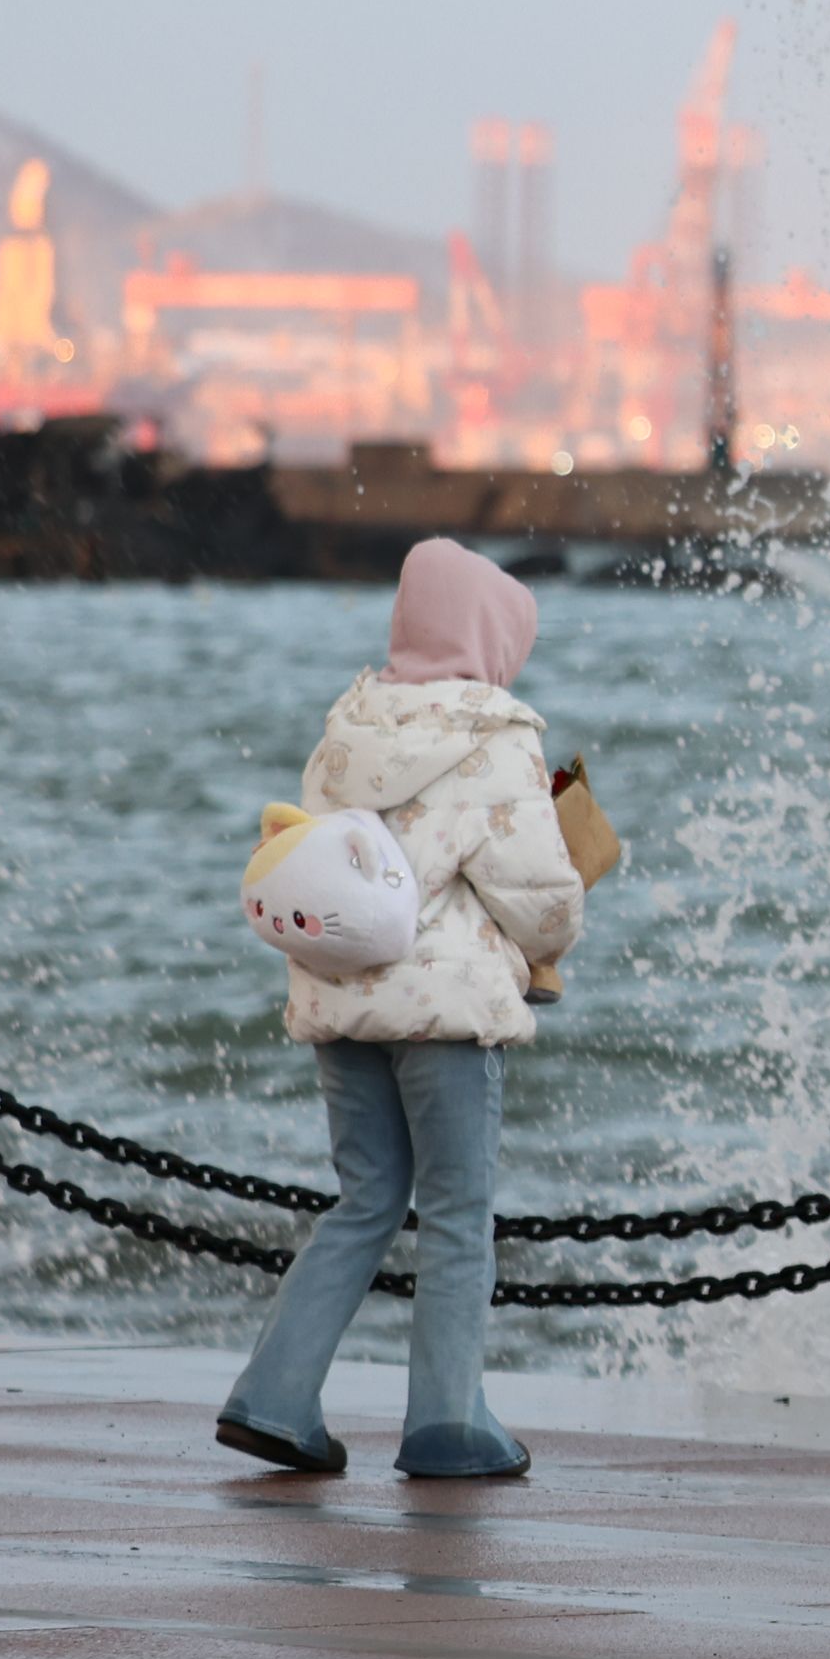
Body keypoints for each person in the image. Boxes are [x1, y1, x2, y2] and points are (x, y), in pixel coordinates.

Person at [217, 537, 585, 1483]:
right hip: (447, 1018)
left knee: (367, 1199)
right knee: (459, 1210)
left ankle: (274, 1397)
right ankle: (448, 1422)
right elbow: (538, 895)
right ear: (489, 639)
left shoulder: (348, 726)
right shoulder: (494, 734)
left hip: (342, 1002)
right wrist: (568, 895)